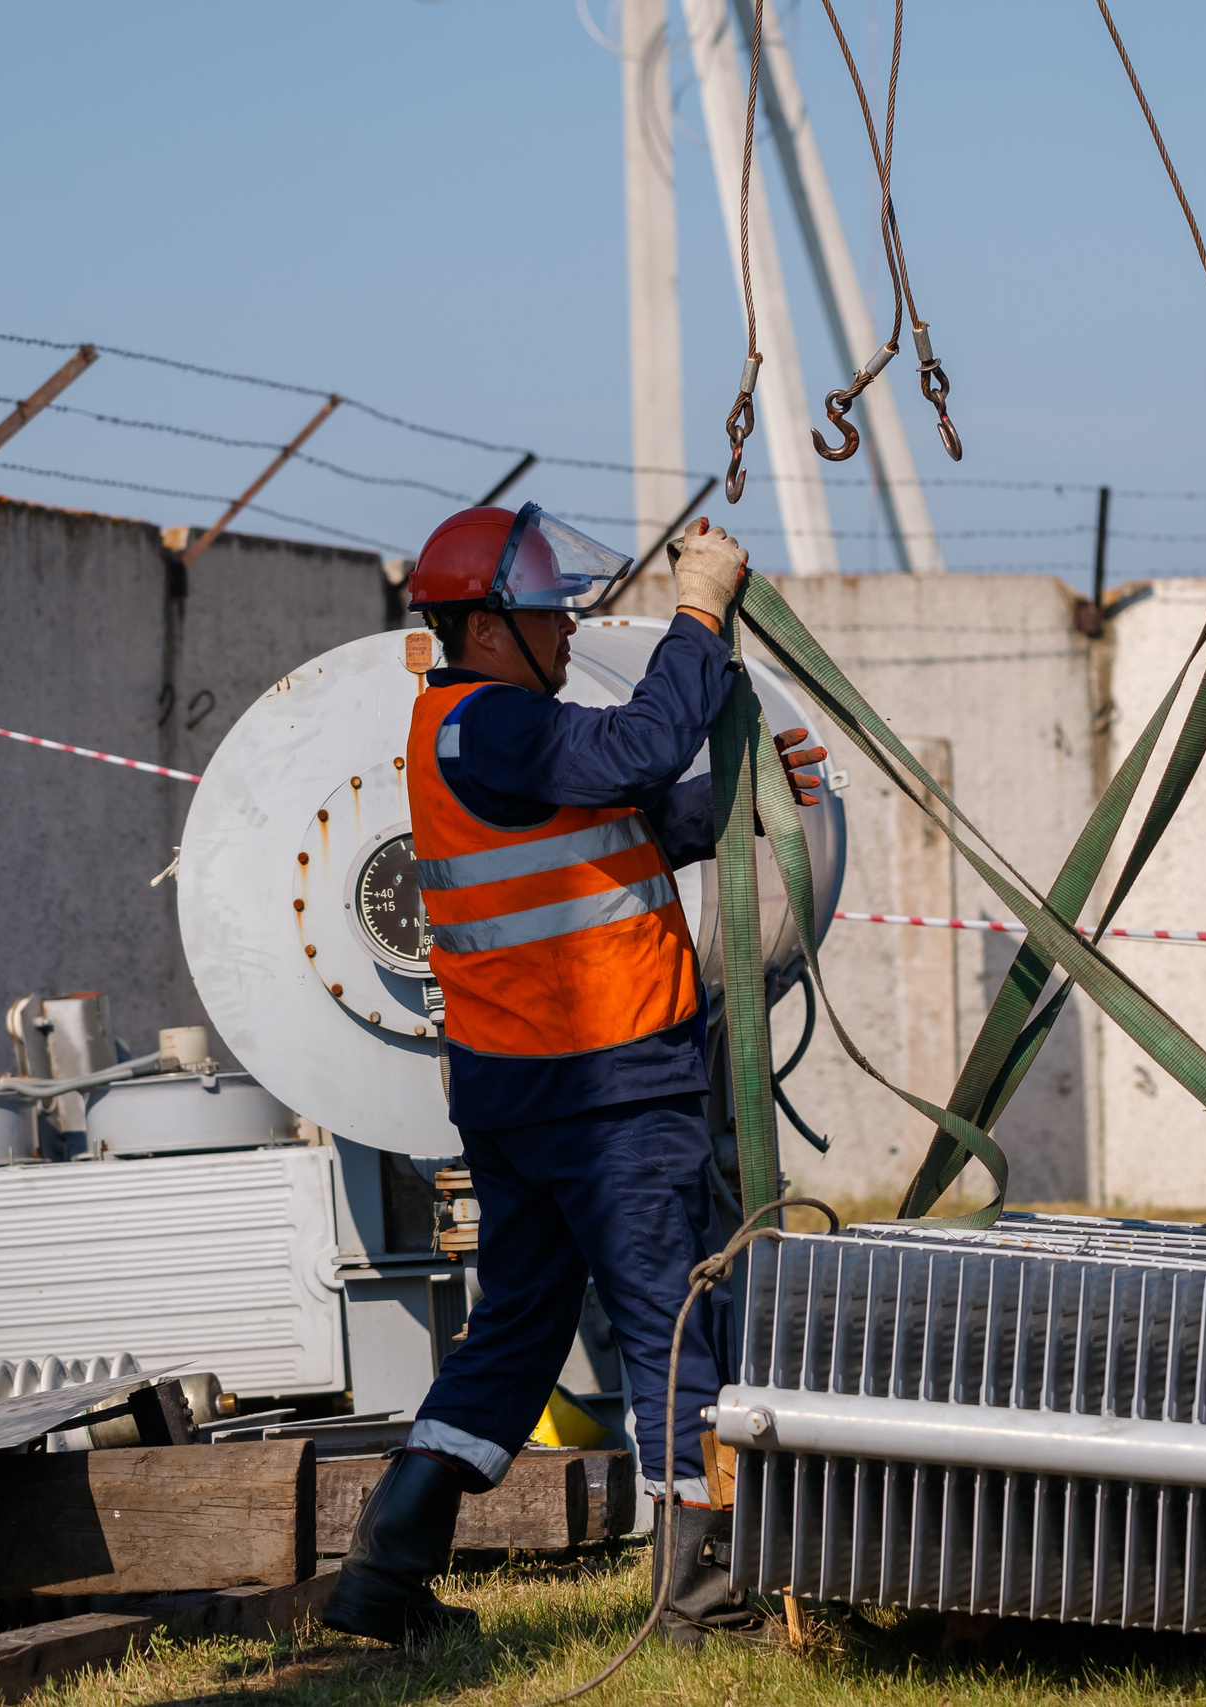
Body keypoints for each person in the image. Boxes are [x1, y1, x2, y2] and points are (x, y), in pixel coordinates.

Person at [323, 504, 826, 1648]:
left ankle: (381, 1579)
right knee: (669, 1320)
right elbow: (640, 751)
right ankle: (700, 1600)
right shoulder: (488, 723)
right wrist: (699, 613)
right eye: (549, 614)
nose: (564, 632)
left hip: (525, 1088)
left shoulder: (480, 733)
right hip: (600, 1085)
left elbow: (629, 823)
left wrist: (756, 794)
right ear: (490, 625)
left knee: (514, 1329)